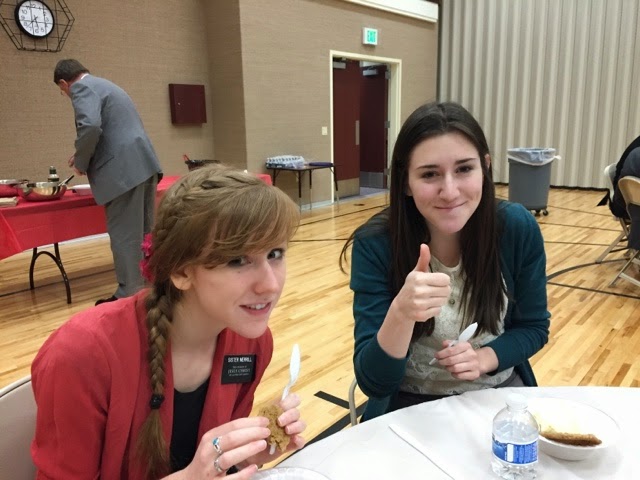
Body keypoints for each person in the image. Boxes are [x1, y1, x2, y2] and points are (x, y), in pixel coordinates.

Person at [31, 165, 306, 479]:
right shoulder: (81, 355)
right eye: (237, 260)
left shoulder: (253, 343)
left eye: (275, 253)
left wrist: (245, 455)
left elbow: (210, 465)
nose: (270, 285)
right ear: (181, 272)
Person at [340, 102, 550, 420]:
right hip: (409, 405)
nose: (449, 192)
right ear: (406, 182)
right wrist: (401, 313)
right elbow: (375, 382)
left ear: (485, 167)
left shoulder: (515, 227)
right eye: (430, 174)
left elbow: (533, 327)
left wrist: (485, 357)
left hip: (497, 394)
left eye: (464, 169)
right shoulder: (375, 244)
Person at [54, 59, 163, 305]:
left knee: (125, 235)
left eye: (62, 91)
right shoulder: (106, 85)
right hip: (143, 164)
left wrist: (82, 162)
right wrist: (81, 154)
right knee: (145, 232)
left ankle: (128, 296)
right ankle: (150, 287)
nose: (65, 94)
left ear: (63, 83)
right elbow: (115, 131)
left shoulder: (81, 88)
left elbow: (90, 127)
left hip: (122, 172)